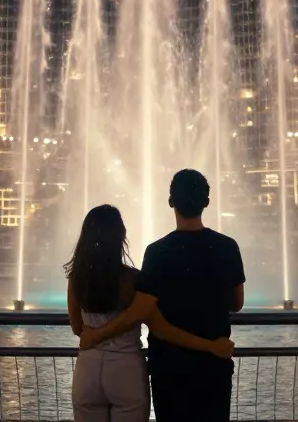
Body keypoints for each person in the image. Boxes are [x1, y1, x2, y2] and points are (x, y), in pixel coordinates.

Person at [80, 170, 245, 421]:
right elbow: (237, 303)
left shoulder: (158, 252)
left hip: (170, 369)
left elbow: (143, 311)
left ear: (171, 201)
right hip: (214, 367)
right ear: (207, 203)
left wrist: (96, 335)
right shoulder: (228, 247)